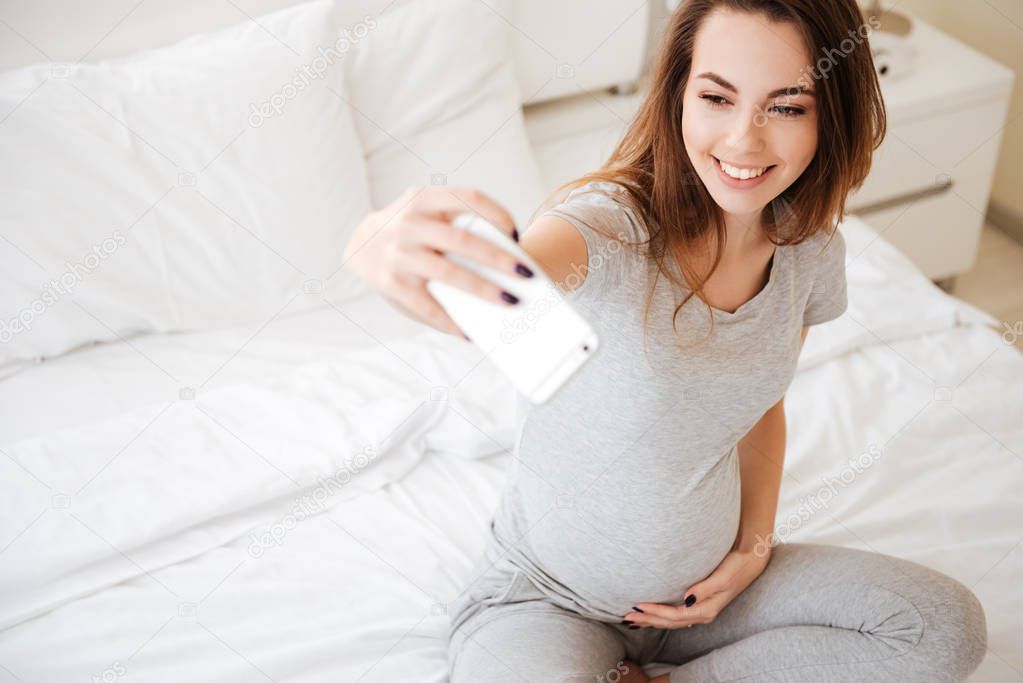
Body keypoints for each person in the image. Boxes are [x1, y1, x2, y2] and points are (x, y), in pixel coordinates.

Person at [345, 1, 988, 681]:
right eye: (716, 97)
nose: (743, 140)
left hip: (701, 602)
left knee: (941, 627)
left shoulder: (809, 247)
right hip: (547, 602)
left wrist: (750, 551)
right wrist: (383, 244)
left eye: (787, 106)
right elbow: (508, 278)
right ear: (678, 94)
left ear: (832, 112)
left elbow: (759, 408)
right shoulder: (602, 230)